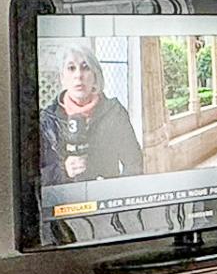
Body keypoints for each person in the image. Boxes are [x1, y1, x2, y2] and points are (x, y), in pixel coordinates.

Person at [39, 43, 144, 185]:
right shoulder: (47, 120)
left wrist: (117, 192)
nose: (78, 75)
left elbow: (134, 164)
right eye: (71, 68)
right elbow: (35, 177)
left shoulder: (114, 112)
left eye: (85, 67)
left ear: (95, 76)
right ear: (62, 78)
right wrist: (64, 170)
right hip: (64, 198)